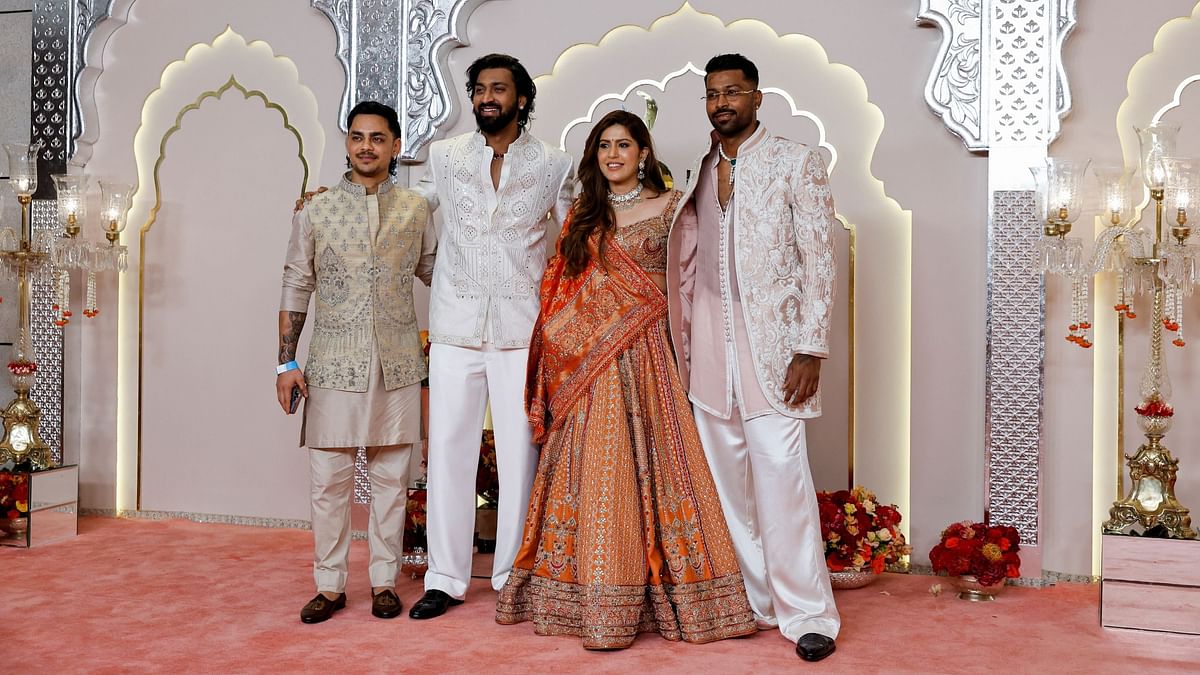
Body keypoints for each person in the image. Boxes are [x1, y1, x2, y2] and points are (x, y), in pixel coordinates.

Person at [495, 110, 757, 650]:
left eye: (623, 145)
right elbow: (560, 292)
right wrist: (565, 347)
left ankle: (683, 599)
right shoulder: (582, 217)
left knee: (665, 468)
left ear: (643, 152)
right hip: (589, 369)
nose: (613, 155)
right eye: (604, 146)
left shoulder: (674, 205)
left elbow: (694, 280)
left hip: (650, 360)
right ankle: (592, 597)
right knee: (596, 469)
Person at [666, 54, 841, 661]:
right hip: (709, 349)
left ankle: (808, 613)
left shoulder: (797, 160)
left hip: (776, 348)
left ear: (758, 97)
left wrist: (811, 346)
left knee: (783, 480)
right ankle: (757, 601)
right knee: (726, 490)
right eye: (713, 94)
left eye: (733, 92)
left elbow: (820, 259)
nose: (722, 103)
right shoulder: (699, 168)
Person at [409, 53, 574, 620]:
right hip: (455, 324)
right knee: (448, 452)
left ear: (521, 98)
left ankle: (512, 575)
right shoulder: (447, 155)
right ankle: (446, 577)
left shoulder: (554, 163)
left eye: (497, 89)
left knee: (519, 457)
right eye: (478, 89)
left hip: (521, 330)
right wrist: (343, 200)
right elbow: (410, 207)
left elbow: (579, 230)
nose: (485, 98)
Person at [276, 101, 435, 624]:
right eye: (358, 137)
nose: (366, 146)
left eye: (378, 138)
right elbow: (297, 281)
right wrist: (285, 363)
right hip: (331, 363)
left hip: (397, 363)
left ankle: (385, 581)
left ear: (394, 146)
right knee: (329, 482)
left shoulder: (415, 208)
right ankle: (330, 583)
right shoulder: (315, 210)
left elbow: (439, 273)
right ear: (348, 143)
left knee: (392, 481)